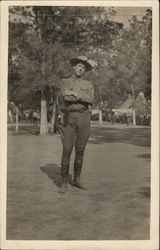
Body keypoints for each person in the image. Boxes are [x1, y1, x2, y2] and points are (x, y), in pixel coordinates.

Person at [57, 56, 94, 193]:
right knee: (67, 151)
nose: (81, 69)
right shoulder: (64, 81)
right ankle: (64, 182)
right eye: (79, 66)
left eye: (83, 68)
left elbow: (91, 99)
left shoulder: (88, 84)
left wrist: (75, 94)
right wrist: (79, 97)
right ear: (74, 67)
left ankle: (77, 179)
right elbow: (66, 98)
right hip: (70, 117)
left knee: (80, 150)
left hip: (84, 118)